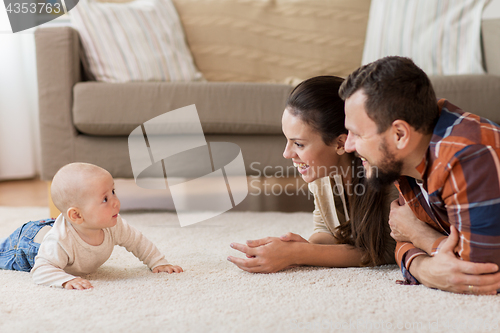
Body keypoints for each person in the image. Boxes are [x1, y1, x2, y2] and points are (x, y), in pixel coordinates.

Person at [340, 56, 500, 295]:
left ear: (400, 134)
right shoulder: (408, 152)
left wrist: (418, 233)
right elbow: (400, 234)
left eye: (356, 134)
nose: (348, 146)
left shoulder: (468, 156)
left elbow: (480, 275)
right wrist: (424, 267)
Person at [228, 76, 398, 273]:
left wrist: (300, 253)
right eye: (287, 140)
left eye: (298, 144)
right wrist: (300, 247)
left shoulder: (385, 175)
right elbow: (327, 231)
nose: (286, 153)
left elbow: (388, 250)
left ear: (341, 144)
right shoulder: (322, 172)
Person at [0, 162, 183, 289]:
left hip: (59, 226)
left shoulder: (114, 224)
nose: (115, 202)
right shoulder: (59, 241)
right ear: (77, 215)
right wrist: (64, 280)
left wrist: (158, 262)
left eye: (113, 192)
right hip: (28, 243)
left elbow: (137, 241)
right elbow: (40, 270)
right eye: (105, 199)